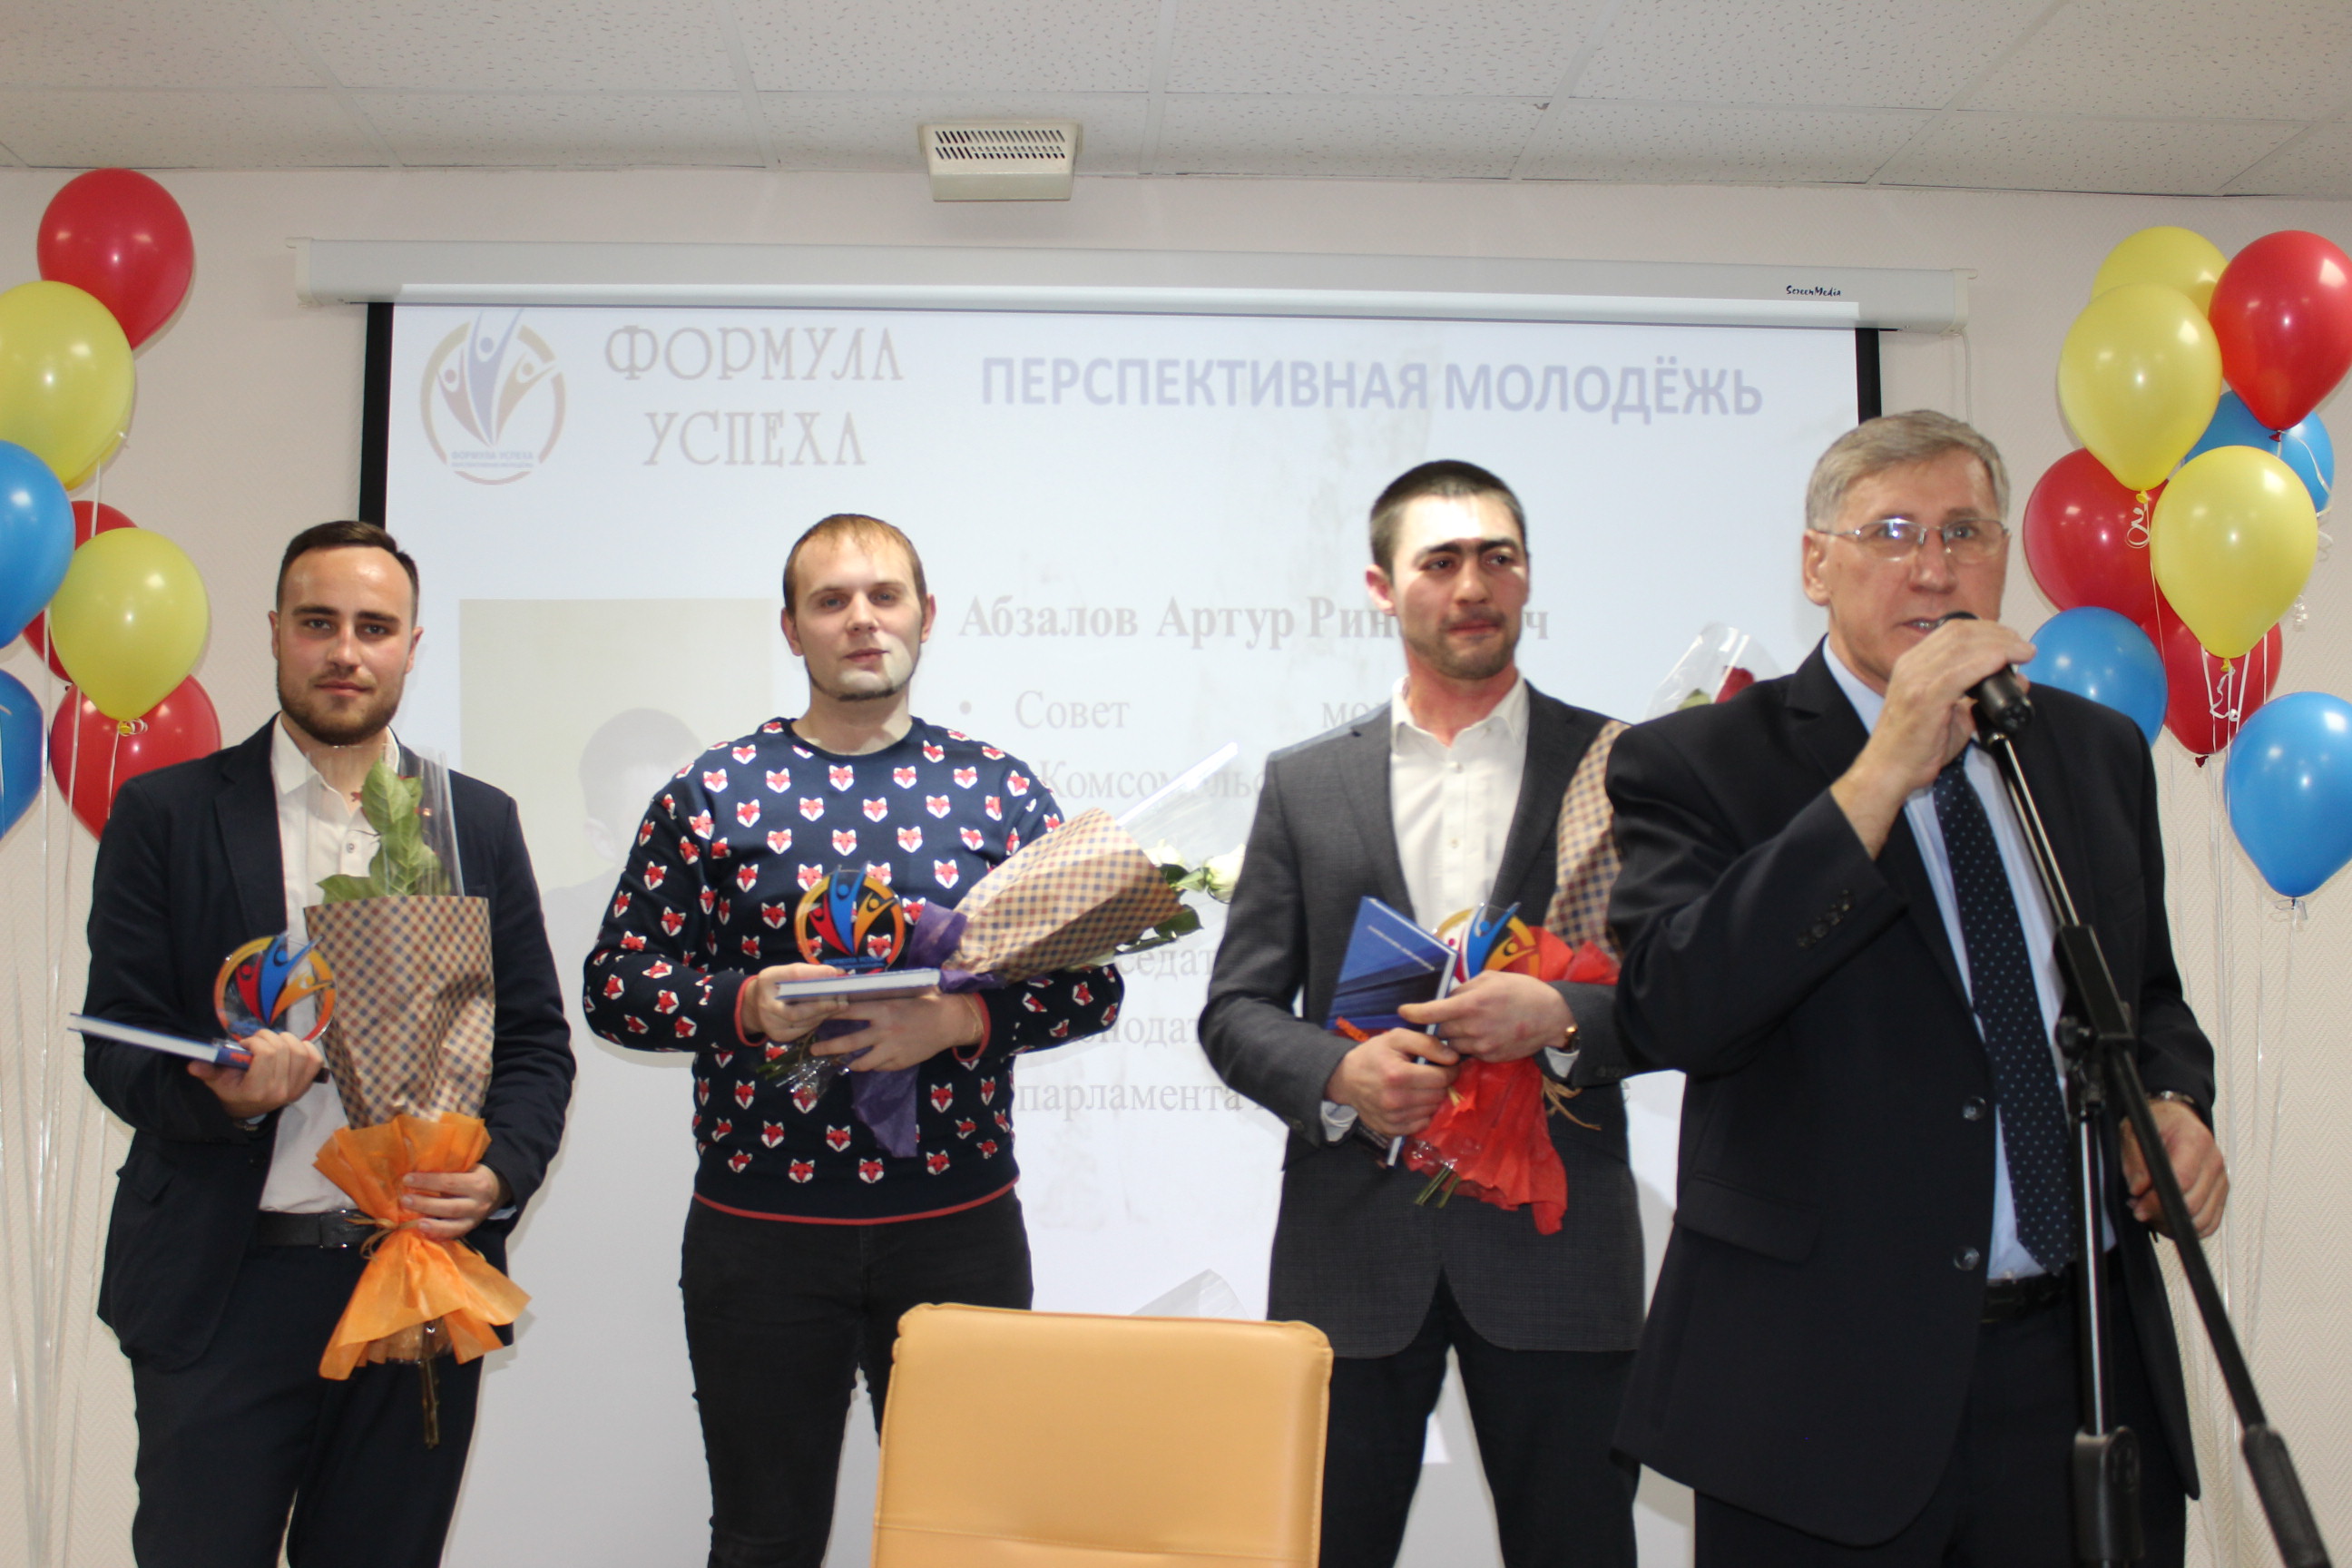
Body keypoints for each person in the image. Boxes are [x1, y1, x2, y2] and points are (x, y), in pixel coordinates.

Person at [1606, 411, 2228, 1565]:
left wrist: (2174, 1103)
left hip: (2079, 1370)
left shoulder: (2091, 751)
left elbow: (2146, 1000)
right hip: (1820, 1394)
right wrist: (1884, 767)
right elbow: (1674, 1006)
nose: (1934, 568)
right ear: (1816, 564)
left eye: (1965, 532)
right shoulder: (1695, 760)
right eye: (1891, 533)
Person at [582, 512, 1124, 1568]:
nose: (862, 620)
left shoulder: (1001, 791)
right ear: (792, 630)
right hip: (761, 1237)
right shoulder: (711, 793)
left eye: (884, 595)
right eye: (830, 601)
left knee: (965, 1543)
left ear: (927, 615)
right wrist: (743, 1003)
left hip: (958, 1227)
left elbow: (1092, 986)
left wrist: (963, 1020)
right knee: (764, 1540)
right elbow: (615, 988)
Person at [81, 520, 575, 1568]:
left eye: (374, 628)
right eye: (318, 623)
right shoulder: (168, 813)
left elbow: (535, 1040)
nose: (346, 651)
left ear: (411, 646)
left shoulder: (475, 822)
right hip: (225, 1288)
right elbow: (117, 1047)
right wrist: (221, 1099)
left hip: (415, 1277)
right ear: (274, 632)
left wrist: (497, 1173)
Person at [1200, 460, 1644, 1568]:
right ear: (1382, 587)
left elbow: (1678, 992)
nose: (1473, 586)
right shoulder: (1307, 783)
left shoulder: (1620, 766)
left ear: (1528, 574)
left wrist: (1561, 1016)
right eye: (1440, 562)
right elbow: (1237, 1009)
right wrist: (1337, 1077)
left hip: (1558, 1251)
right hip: (1351, 1255)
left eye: (1498, 557)